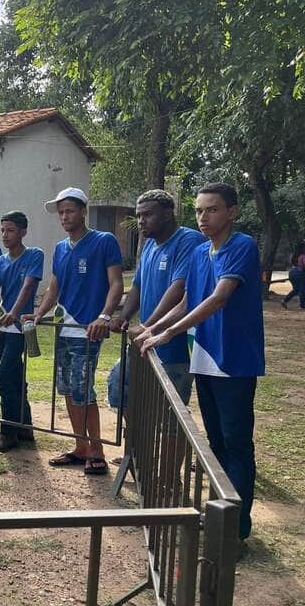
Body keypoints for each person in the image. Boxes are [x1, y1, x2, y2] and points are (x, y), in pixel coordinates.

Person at [138, 182, 265, 544]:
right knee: (216, 444)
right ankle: (221, 515)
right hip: (204, 359)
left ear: (232, 213)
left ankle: (236, 531)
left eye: (212, 209)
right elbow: (189, 301)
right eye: (198, 210)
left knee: (237, 445)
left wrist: (167, 333)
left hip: (234, 363)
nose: (203, 217)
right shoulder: (199, 253)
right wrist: (153, 328)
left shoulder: (241, 246)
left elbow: (218, 298)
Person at [24, 187, 123, 476]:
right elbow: (54, 286)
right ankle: (80, 446)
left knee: (83, 388)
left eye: (69, 210)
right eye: (61, 212)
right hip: (64, 326)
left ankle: (97, 450)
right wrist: (40, 311)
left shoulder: (104, 241)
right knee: (66, 387)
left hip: (88, 328)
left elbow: (116, 282)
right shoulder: (60, 248)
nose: (64, 216)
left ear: (83, 211)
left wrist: (105, 315)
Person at [109, 190, 205, 404]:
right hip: (147, 342)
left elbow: (178, 288)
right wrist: (124, 318)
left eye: (148, 215)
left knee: (169, 414)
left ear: (168, 214)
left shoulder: (189, 241)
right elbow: (137, 287)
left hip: (175, 347)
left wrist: (147, 327)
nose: (141, 221)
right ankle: (134, 437)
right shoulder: (150, 245)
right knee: (120, 388)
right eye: (138, 215)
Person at [0, 211, 44, 452]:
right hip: (4, 327)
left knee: (5, 375)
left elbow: (28, 286)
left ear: (23, 232)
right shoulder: (0, 261)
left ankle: (8, 431)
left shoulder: (34, 255)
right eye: (3, 230)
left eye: (10, 230)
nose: (5, 235)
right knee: (15, 375)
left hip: (20, 327)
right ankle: (25, 425)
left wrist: (15, 312)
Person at [282, 241, 305, 309]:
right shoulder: (303, 255)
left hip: (292, 272)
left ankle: (285, 300)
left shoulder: (295, 254)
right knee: (302, 289)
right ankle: (302, 305)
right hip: (300, 273)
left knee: (296, 289)